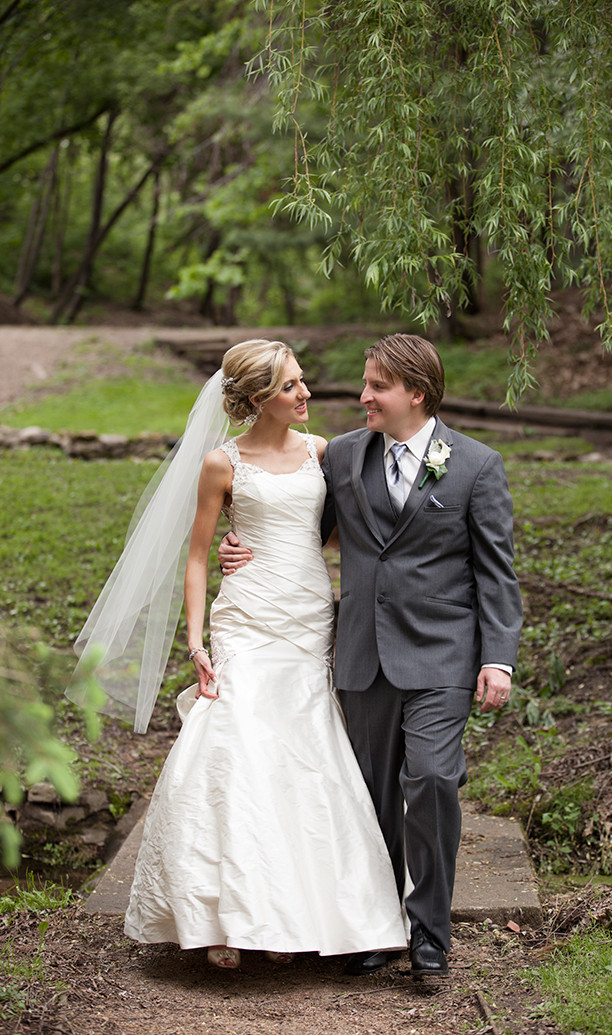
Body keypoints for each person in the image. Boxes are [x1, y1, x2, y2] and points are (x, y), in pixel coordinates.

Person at [69, 339, 406, 970]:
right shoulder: (223, 464)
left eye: (303, 382)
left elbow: (335, 534)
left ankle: (289, 915)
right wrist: (196, 639)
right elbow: (197, 556)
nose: (305, 394)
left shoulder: (322, 452)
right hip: (246, 617)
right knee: (237, 746)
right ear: (256, 400)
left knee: (304, 752)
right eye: (290, 387)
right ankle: (225, 915)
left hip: (307, 615)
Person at [220, 333, 522, 977]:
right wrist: (238, 546)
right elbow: (296, 522)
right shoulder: (343, 456)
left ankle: (429, 933)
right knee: (369, 798)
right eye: (365, 384)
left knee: (434, 781)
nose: (362, 397)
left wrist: (498, 657)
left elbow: (497, 573)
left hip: (443, 656)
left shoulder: (474, 466)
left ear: (416, 392)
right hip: (360, 653)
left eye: (376, 387)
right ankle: (376, 924)